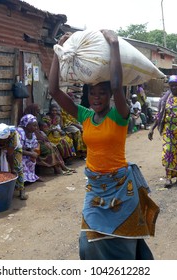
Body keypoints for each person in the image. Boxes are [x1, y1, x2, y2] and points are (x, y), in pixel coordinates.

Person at [49, 29, 159, 260]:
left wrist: (114, 44)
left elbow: (118, 86)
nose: (96, 97)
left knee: (122, 241)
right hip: (95, 188)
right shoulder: (85, 116)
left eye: (102, 93)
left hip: (120, 186)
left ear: (110, 95)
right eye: (92, 93)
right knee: (88, 241)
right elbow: (54, 91)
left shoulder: (120, 116)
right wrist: (58, 52)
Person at [0, 123, 27, 200]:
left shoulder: (13, 137)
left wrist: (12, 169)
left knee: (17, 167)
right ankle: (3, 189)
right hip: (2, 150)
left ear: (7, 138)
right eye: (0, 141)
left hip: (15, 150)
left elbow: (10, 155)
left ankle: (21, 189)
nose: (1, 142)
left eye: (3, 141)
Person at [16, 114, 41, 185]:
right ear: (26, 125)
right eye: (34, 125)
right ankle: (22, 181)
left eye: (36, 125)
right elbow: (16, 149)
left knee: (32, 160)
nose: (36, 128)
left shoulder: (31, 133)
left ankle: (31, 177)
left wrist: (32, 153)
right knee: (21, 161)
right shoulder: (19, 132)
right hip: (15, 154)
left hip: (24, 152)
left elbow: (33, 144)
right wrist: (30, 153)